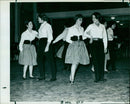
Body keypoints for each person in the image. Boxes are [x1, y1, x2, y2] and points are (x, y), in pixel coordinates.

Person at [65, 14, 90, 84]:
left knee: (77, 62)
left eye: (81, 20)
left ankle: (71, 75)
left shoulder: (82, 28)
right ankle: (72, 79)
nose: (81, 21)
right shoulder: (71, 28)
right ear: (76, 20)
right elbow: (67, 39)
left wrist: (88, 36)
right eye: (80, 20)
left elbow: (84, 37)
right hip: (74, 46)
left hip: (81, 46)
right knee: (74, 62)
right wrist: (73, 43)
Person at [84, 12, 108, 82]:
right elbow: (84, 33)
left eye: (94, 17)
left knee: (101, 60)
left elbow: (105, 37)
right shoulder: (90, 26)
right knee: (95, 61)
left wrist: (105, 47)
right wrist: (90, 37)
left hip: (101, 43)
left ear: (98, 18)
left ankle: (102, 77)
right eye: (92, 18)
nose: (93, 19)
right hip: (93, 43)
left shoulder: (102, 26)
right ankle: (97, 77)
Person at [37, 13, 56, 81]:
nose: (38, 20)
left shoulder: (48, 26)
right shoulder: (41, 26)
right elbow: (41, 36)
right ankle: (42, 75)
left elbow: (50, 36)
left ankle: (53, 77)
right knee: (39, 59)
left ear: (42, 19)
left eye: (38, 18)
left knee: (50, 60)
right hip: (41, 43)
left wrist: (47, 46)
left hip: (47, 42)